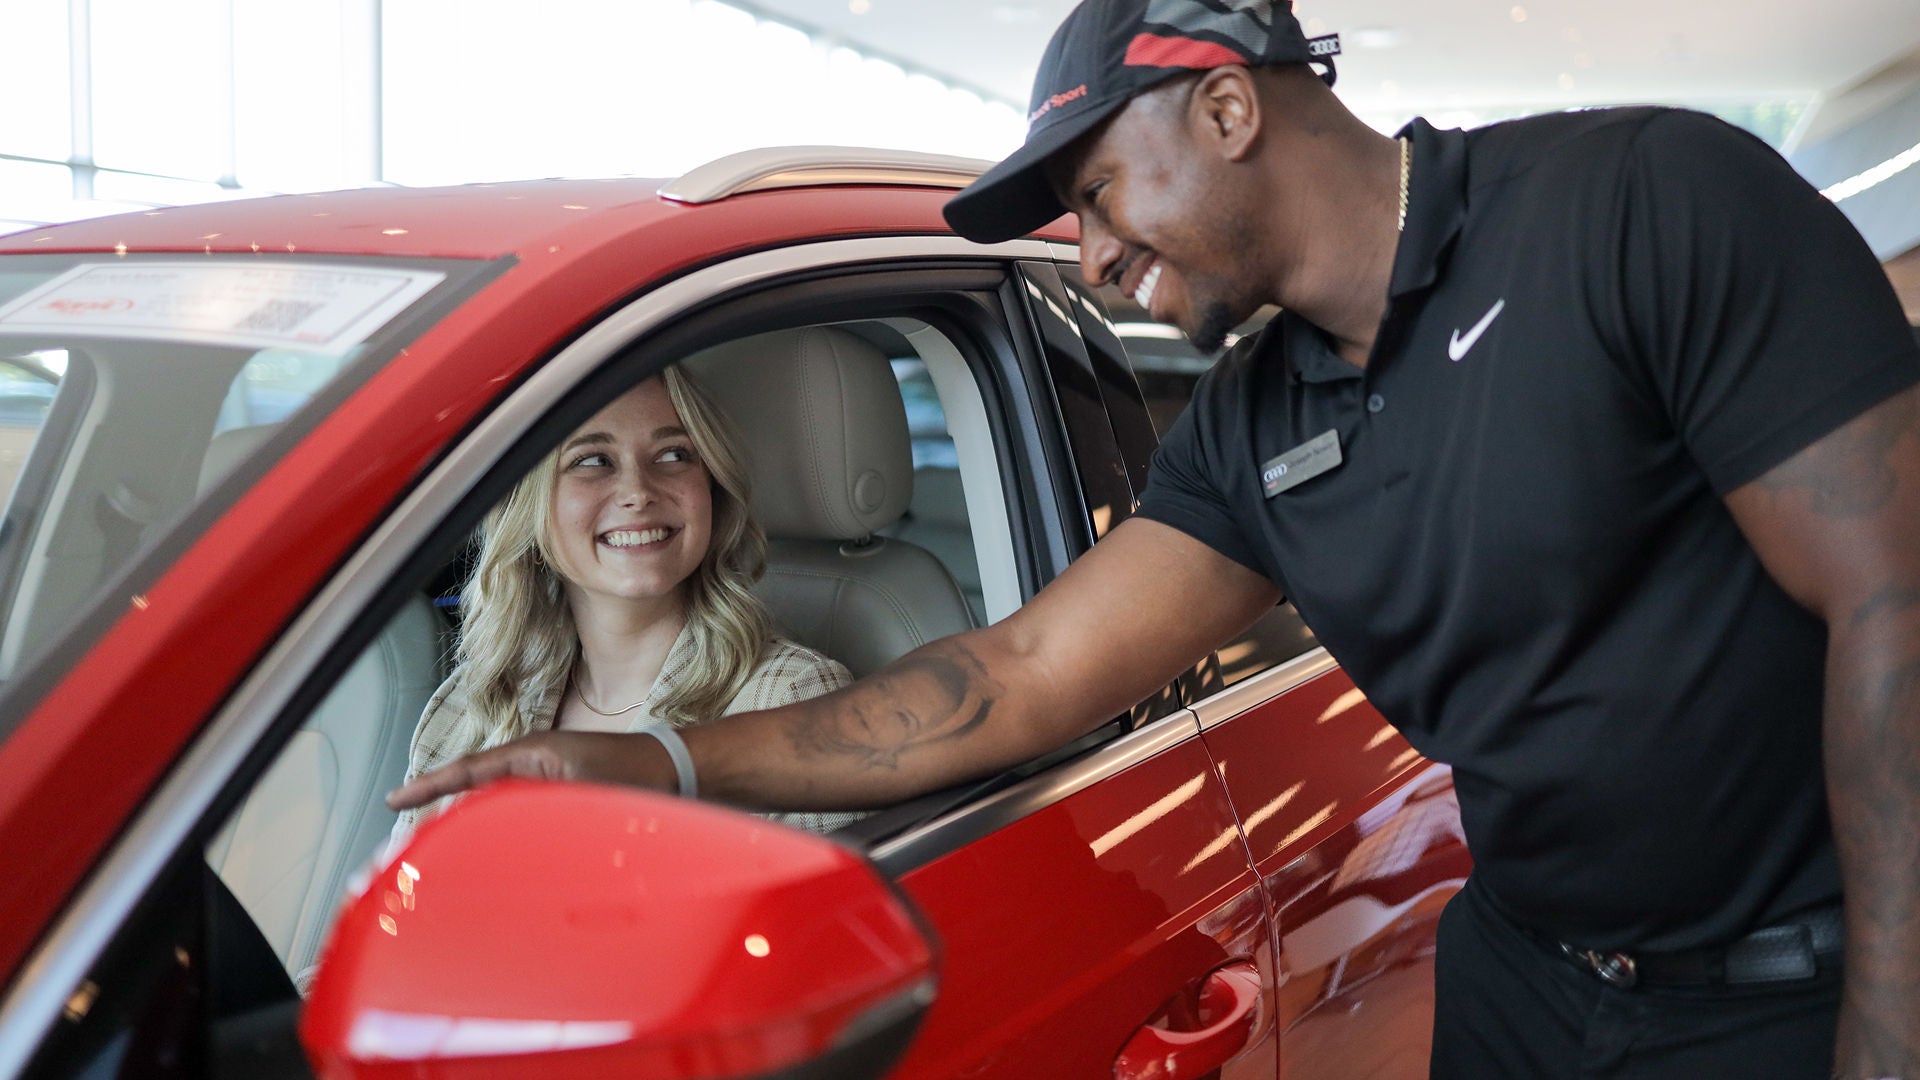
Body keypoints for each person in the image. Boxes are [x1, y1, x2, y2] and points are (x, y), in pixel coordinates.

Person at [390, 1, 1920, 1075]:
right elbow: (1018, 677)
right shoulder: (1255, 425)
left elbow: (1895, 606)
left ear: (1230, 105)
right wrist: (657, 763)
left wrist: (1891, 1036)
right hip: (1523, 982)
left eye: (1101, 193)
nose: (1096, 253)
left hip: (1783, 998)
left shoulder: (1642, 207)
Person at [389, 366, 861, 849]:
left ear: (712, 489)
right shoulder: (472, 700)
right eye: (593, 460)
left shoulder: (791, 698)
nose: (638, 491)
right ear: (528, 506)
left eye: (674, 454)